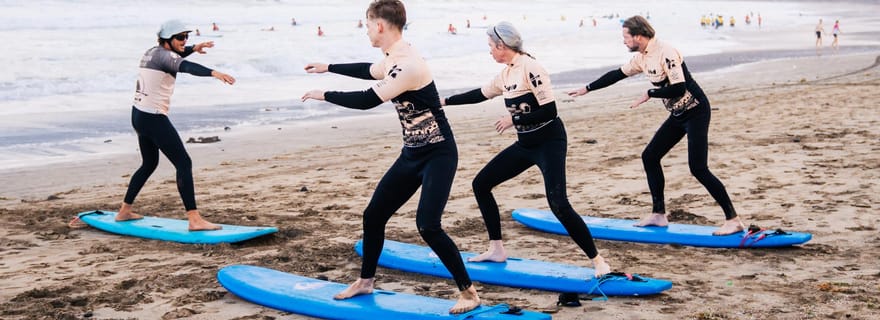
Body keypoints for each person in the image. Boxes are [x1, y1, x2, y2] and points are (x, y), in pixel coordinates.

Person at [300, 0, 480, 314]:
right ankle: (366, 281)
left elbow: (368, 100)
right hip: (412, 154)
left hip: (439, 152)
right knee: (374, 216)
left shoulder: (407, 63)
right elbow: (368, 72)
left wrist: (324, 94)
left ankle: (469, 293)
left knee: (428, 224)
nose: (366, 31)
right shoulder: (392, 57)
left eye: (368, 25)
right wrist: (328, 66)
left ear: (380, 26)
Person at [441, 21, 611, 277]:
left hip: (549, 142)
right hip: (526, 144)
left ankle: (598, 261)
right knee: (481, 184)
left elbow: (550, 110)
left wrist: (514, 120)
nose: (489, 51)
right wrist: (444, 101)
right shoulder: (506, 74)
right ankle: (496, 249)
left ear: (502, 46)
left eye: (490, 46)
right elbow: (480, 94)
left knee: (558, 203)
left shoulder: (531, 67)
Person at [567, 15, 744, 236]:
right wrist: (587, 88)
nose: (623, 41)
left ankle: (733, 219)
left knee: (698, 168)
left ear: (638, 36)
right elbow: (616, 74)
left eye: (625, 37)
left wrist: (651, 93)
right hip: (678, 115)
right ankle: (659, 214)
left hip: (696, 111)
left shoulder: (666, 52)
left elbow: (678, 88)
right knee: (650, 156)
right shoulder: (643, 57)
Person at [118, 20, 236, 231]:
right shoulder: (166, 56)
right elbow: (186, 66)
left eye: (186, 37)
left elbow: (174, 57)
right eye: (180, 38)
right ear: (167, 40)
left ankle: (124, 211)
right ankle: (194, 219)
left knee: (149, 164)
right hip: (154, 118)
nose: (185, 41)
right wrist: (213, 73)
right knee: (183, 163)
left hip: (138, 115)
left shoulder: (152, 52)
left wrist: (193, 49)